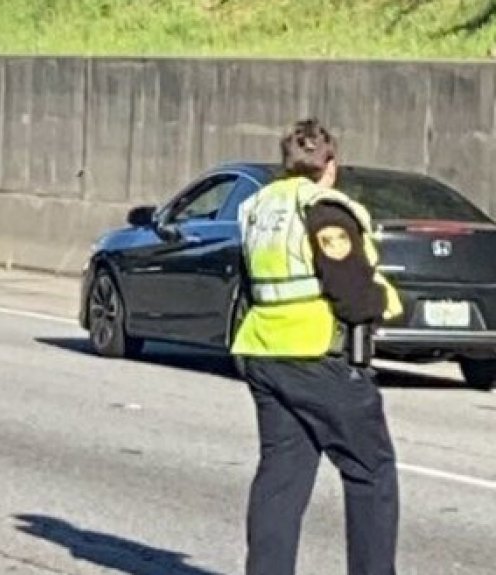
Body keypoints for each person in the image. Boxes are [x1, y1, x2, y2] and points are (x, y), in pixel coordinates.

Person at [231, 118, 405, 575]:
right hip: (317, 354)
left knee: (282, 477)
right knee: (371, 470)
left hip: (263, 350)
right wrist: (381, 304)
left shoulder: (259, 207)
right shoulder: (324, 210)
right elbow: (350, 289)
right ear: (330, 164)